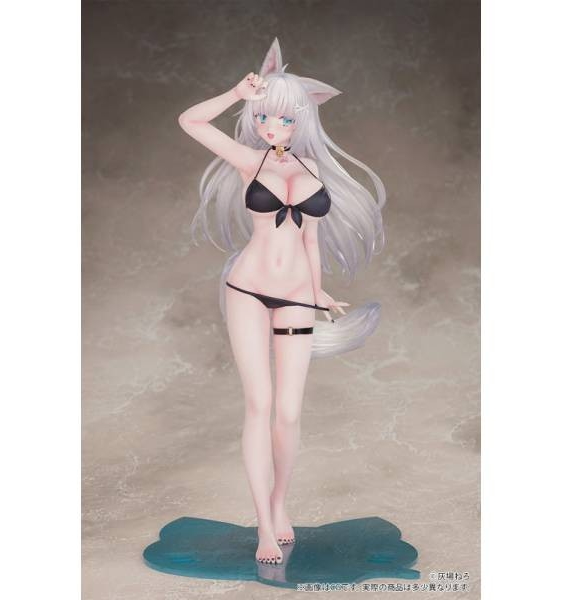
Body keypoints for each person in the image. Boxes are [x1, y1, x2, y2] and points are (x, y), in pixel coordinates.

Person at [178, 37, 386, 565]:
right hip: (247, 291)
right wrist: (236, 93)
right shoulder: (248, 160)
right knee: (259, 403)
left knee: (288, 413)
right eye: (265, 116)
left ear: (303, 119)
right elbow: (190, 121)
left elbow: (311, 241)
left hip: (295, 296)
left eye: (285, 118)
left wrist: (317, 292)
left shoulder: (313, 169)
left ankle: (279, 503)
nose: (273, 126)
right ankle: (264, 526)